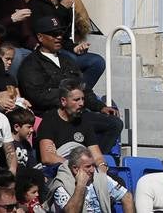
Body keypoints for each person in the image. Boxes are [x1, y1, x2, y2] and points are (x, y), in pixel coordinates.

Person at [17, 16, 122, 155]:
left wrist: (100, 106)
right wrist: (67, 99)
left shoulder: (67, 60)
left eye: (61, 33)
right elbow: (38, 96)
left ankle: (95, 162)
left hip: (77, 115)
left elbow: (84, 89)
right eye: (53, 34)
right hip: (52, 117)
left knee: (114, 123)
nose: (59, 37)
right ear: (40, 37)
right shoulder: (30, 64)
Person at [27, 0, 105, 90]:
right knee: (69, 60)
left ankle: (79, 95)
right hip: (46, 50)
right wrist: (62, 8)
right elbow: (46, 31)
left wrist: (75, 47)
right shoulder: (37, 3)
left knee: (97, 62)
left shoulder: (66, 5)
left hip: (64, 50)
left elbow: (65, 37)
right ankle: (72, 95)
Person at [36, 80, 105, 169]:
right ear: (63, 101)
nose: (81, 103)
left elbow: (97, 156)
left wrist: (102, 167)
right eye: (76, 100)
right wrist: (76, 165)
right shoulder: (49, 120)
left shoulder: (84, 121)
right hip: (59, 170)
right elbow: (47, 157)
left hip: (83, 168)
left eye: (82, 99)